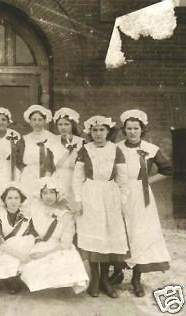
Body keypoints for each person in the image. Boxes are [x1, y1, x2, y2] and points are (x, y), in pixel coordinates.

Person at [112, 110, 172, 297]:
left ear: (142, 129)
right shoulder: (116, 147)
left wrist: (146, 181)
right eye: (128, 128)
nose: (132, 132)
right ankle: (117, 272)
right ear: (124, 130)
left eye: (136, 128)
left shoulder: (151, 149)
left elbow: (167, 170)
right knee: (119, 232)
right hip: (119, 192)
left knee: (140, 234)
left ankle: (136, 278)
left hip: (141, 195)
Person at [73, 115, 129, 299]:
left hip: (110, 195)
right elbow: (77, 177)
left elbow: (122, 178)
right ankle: (95, 279)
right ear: (90, 132)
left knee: (108, 237)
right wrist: (78, 199)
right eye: (95, 130)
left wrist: (123, 201)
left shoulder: (116, 150)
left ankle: (105, 279)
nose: (98, 133)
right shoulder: (84, 150)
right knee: (94, 237)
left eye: (102, 130)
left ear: (108, 132)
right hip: (90, 194)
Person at [20, 177, 89, 294]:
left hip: (59, 247)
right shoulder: (35, 208)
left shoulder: (65, 213)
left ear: (58, 194)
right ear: (40, 194)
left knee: (63, 261)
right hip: (41, 243)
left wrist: (44, 254)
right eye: (45, 192)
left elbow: (66, 243)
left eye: (52, 192)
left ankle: (62, 285)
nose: (48, 196)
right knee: (32, 266)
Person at [0, 182, 35, 294]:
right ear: (4, 200)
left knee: (23, 240)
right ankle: (3, 278)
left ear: (21, 200)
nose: (13, 201)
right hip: (3, 248)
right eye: (9, 198)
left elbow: (32, 234)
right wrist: (19, 254)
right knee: (14, 242)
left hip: (21, 248)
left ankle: (12, 278)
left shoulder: (26, 215)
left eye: (16, 198)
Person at [49, 107, 84, 210]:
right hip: (57, 179)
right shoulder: (52, 142)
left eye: (66, 124)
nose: (63, 127)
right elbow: (47, 166)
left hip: (75, 180)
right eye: (60, 124)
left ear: (72, 125)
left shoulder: (82, 142)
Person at [20, 104, 57, 194]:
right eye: (34, 120)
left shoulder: (53, 138)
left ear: (45, 121)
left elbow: (54, 159)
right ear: (30, 121)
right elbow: (20, 160)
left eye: (40, 120)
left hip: (47, 174)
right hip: (28, 175)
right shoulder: (24, 139)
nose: (37, 123)